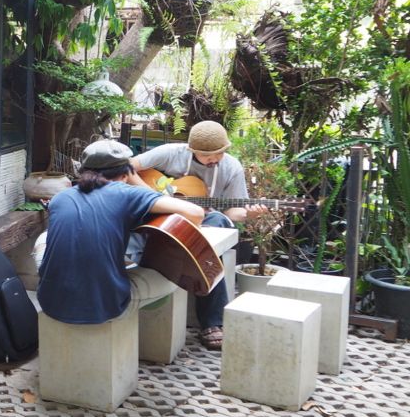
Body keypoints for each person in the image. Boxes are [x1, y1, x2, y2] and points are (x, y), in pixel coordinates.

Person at [128, 120, 267, 351]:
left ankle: (213, 322)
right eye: (206, 155)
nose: (214, 159)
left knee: (218, 223)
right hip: (160, 218)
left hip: (204, 223)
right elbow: (128, 168)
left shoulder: (231, 168)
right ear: (191, 150)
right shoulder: (171, 153)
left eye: (219, 153)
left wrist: (250, 214)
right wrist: (154, 198)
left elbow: (232, 212)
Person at [36, 139, 204, 327]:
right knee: (175, 277)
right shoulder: (127, 193)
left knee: (43, 238)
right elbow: (196, 213)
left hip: (51, 302)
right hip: (107, 307)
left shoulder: (60, 197)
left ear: (83, 171)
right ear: (126, 174)